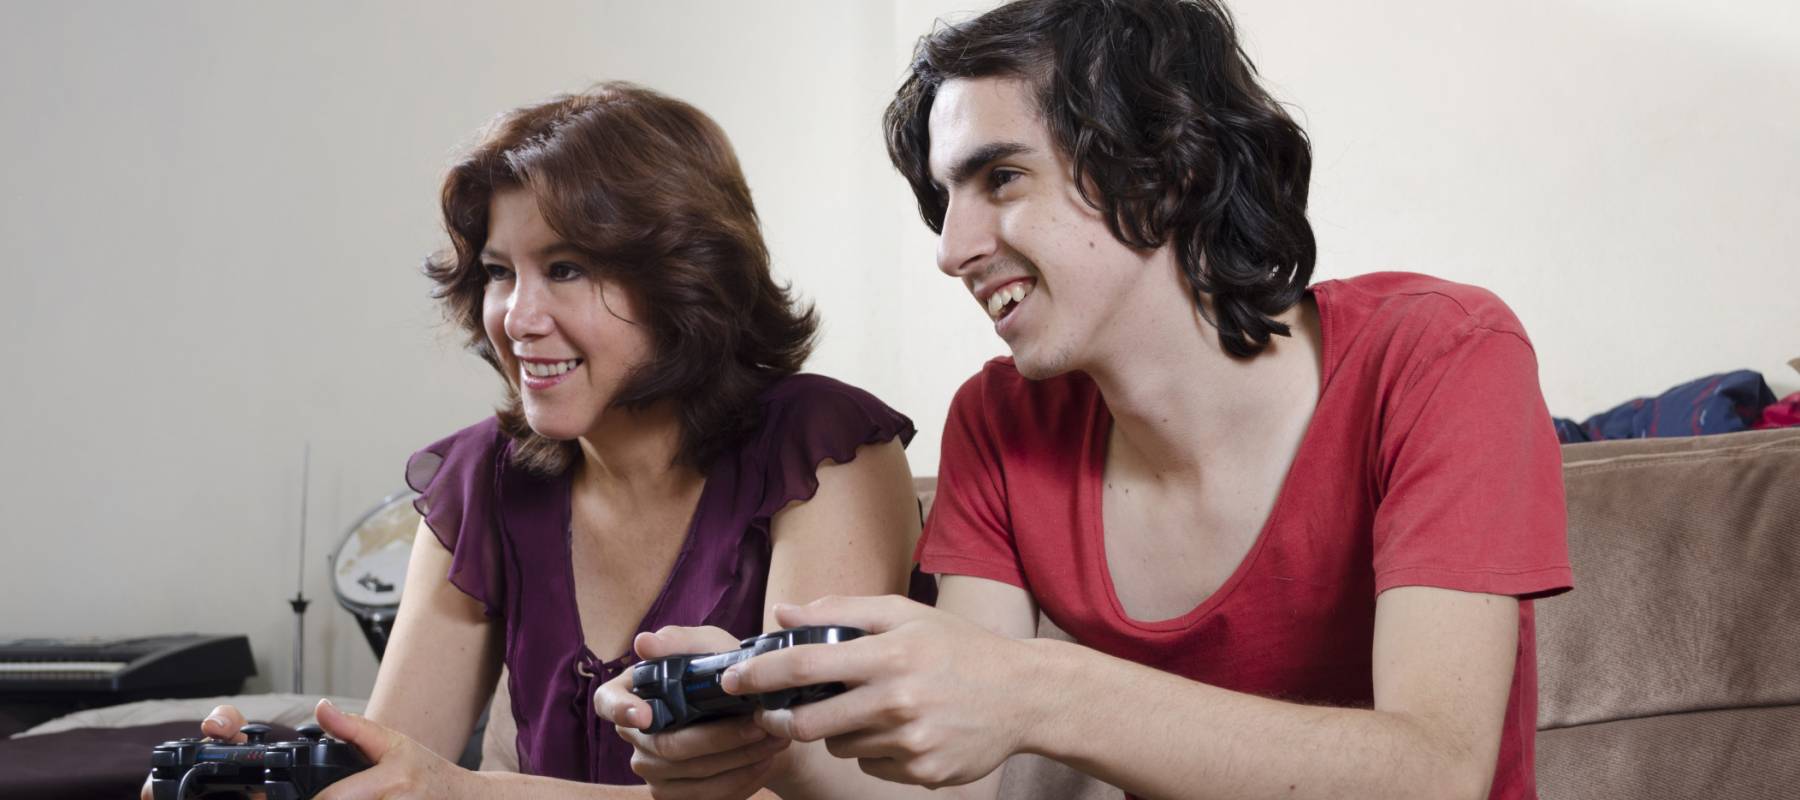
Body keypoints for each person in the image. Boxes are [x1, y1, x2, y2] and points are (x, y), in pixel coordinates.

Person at [597, 2, 1572, 799]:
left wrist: (1034, 688)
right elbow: (965, 780)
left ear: (1171, 166)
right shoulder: (1000, 419)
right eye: (946, 198)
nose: (950, 247)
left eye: (1002, 177)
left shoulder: (1441, 352)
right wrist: (768, 721)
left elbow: (1436, 768)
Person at [147, 82, 926, 797]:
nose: (516, 318)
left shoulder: (824, 448)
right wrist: (272, 776)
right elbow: (395, 769)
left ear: (685, 274)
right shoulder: (478, 479)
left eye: (564, 267)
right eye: (497, 272)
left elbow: (825, 787)